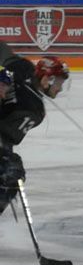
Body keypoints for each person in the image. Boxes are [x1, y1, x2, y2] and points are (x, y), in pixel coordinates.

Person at [0, 51, 70, 218]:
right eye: (58, 82)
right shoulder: (33, 110)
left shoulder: (23, 69)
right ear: (47, 79)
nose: (59, 89)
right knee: (11, 173)